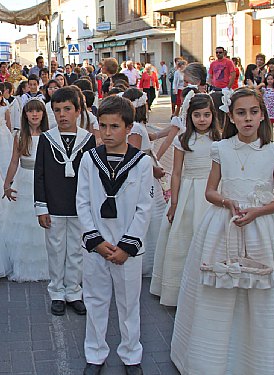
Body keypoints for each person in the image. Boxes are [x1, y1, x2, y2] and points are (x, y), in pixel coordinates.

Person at [170, 88, 274, 375]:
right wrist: (228, 201)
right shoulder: (220, 149)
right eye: (241, 113)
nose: (248, 118)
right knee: (222, 289)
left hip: (265, 228)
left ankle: (262, 359)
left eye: (253, 112)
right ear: (231, 117)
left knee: (264, 292)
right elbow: (210, 191)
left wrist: (258, 211)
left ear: (262, 115)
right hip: (225, 224)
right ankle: (217, 360)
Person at [77, 95, 153, 375]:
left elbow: (144, 208)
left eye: (114, 127)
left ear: (129, 128)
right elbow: (82, 202)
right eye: (103, 126)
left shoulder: (141, 163)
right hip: (97, 247)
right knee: (95, 301)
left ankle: (131, 355)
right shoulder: (89, 159)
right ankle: (95, 354)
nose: (107, 133)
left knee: (129, 303)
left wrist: (127, 246)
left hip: (127, 249)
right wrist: (96, 241)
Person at [150, 93, 221, 306]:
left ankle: (209, 287)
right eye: (197, 115)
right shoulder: (183, 140)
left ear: (213, 115)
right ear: (189, 117)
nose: (202, 119)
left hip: (213, 192)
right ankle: (179, 287)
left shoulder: (219, 140)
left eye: (206, 115)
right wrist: (174, 202)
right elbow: (177, 172)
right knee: (184, 236)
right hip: (189, 193)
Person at [34, 86, 96, 316]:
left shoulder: (88, 140)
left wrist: (90, 207)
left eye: (67, 109)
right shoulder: (46, 139)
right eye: (57, 109)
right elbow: (39, 174)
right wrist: (41, 206)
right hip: (54, 204)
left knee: (77, 251)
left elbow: (91, 177)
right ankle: (57, 293)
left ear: (78, 111)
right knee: (55, 249)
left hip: (79, 205)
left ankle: (74, 291)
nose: (62, 114)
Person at [3, 98, 50, 282]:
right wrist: (7, 184)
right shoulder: (20, 136)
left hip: (44, 181)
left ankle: (46, 265)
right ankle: (24, 265)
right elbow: (14, 161)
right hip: (25, 179)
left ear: (43, 114)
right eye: (30, 111)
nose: (34, 114)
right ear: (25, 115)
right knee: (24, 222)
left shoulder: (49, 135)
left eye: (38, 111)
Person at [123, 87, 166, 276]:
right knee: (148, 217)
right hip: (145, 176)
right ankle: (147, 262)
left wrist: (172, 129)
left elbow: (154, 137)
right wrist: (153, 169)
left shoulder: (138, 127)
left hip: (149, 171)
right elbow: (134, 156)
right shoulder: (137, 129)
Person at [262, 73, 274, 142]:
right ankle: (269, 137)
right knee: (269, 123)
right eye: (268, 79)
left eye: (271, 79)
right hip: (267, 108)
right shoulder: (264, 89)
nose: (270, 81)